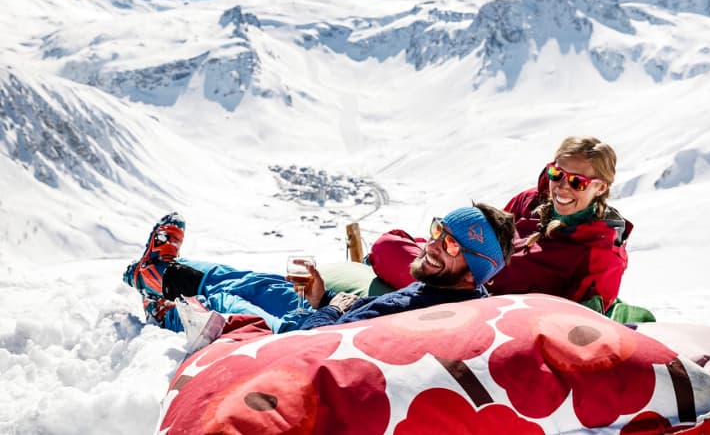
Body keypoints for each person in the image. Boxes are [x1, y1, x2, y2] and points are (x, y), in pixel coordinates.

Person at [122, 203, 516, 336]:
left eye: (449, 243)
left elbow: (306, 338)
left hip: (305, 331)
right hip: (332, 312)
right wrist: (325, 299)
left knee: (230, 303)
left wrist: (328, 310)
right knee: (264, 283)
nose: (431, 245)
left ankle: (162, 300)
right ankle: (162, 272)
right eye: (437, 231)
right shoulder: (462, 293)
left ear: (475, 271)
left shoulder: (416, 307)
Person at [368, 136, 632, 314]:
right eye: (556, 174)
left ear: (600, 188)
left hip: (490, 310)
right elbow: (488, 237)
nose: (561, 187)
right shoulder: (530, 201)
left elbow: (579, 322)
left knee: (404, 260)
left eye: (577, 182)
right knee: (389, 246)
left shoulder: (601, 254)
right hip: (464, 271)